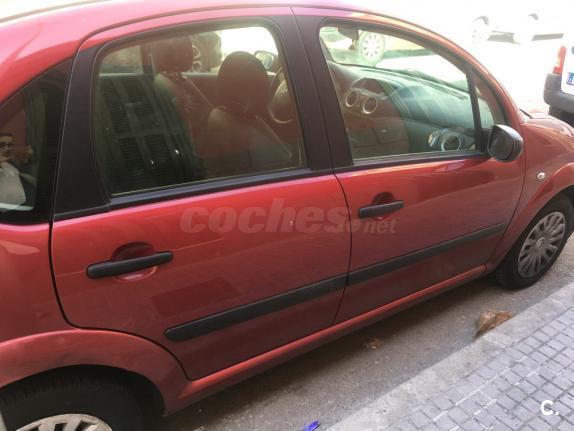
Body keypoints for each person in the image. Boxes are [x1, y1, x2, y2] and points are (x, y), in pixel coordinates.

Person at [0, 132, 28, 212]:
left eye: (9, 145)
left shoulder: (10, 163)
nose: (6, 148)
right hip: (4, 213)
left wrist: (26, 157)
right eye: (2, 145)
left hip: (21, 207)